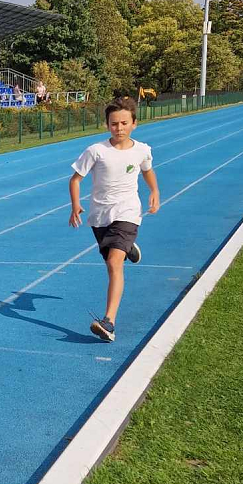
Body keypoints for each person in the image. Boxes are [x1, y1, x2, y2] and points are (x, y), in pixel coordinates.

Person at [68, 96, 160, 342]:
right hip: (100, 216)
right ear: (107, 125)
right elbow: (75, 179)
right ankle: (127, 247)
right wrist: (75, 205)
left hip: (128, 212)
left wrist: (154, 191)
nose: (119, 128)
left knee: (113, 263)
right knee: (111, 256)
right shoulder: (96, 151)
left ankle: (109, 321)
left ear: (134, 123)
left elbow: (147, 171)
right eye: (114, 124)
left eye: (124, 123)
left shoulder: (142, 150)